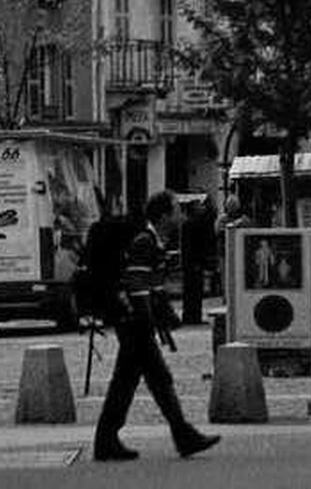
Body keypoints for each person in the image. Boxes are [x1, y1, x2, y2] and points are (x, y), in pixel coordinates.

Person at [91, 191, 221, 463]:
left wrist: (164, 314)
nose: (181, 215)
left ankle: (108, 440)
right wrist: (148, 319)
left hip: (136, 324)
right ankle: (182, 436)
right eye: (176, 210)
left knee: (128, 383)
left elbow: (153, 286)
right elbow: (138, 287)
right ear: (163, 216)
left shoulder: (155, 242)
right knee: (156, 380)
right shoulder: (144, 242)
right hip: (135, 325)